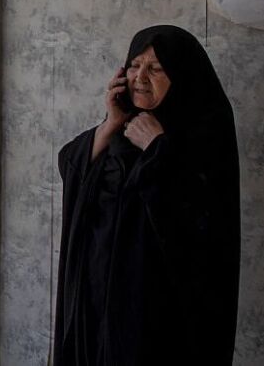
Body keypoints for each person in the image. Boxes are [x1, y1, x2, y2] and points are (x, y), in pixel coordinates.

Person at [54, 25, 240, 366]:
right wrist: (110, 125)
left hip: (155, 317)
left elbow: (202, 227)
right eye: (135, 65)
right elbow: (72, 166)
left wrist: (158, 150)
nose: (140, 76)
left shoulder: (202, 137)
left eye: (155, 68)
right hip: (97, 305)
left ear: (180, 76)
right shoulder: (123, 128)